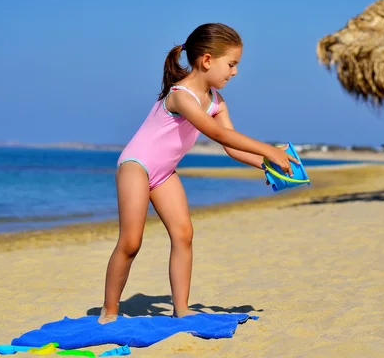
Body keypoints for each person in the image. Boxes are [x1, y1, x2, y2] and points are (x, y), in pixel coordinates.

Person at [99, 22, 299, 323]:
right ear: (207, 60)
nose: (235, 72)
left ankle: (182, 309)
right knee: (131, 242)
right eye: (231, 64)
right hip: (135, 166)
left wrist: (268, 165)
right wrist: (269, 149)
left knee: (184, 235)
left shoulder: (216, 102)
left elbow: (232, 148)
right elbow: (219, 136)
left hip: (164, 172)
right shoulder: (181, 96)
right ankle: (109, 310)